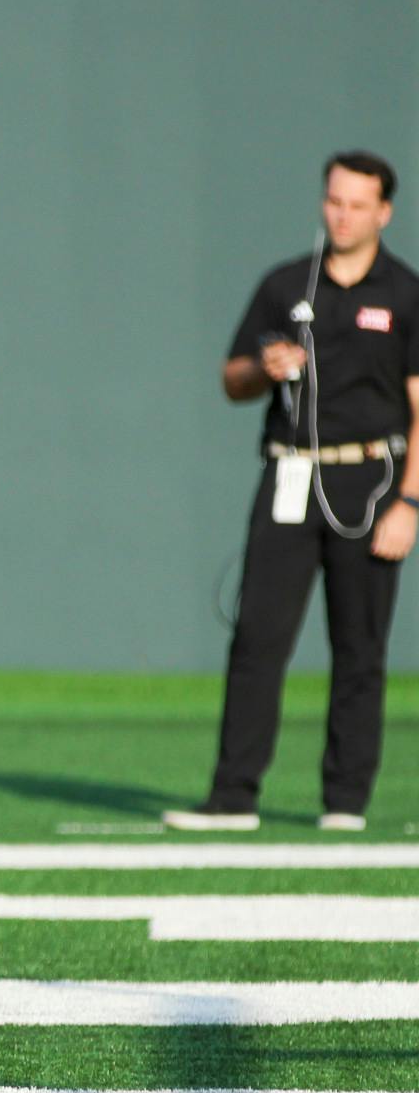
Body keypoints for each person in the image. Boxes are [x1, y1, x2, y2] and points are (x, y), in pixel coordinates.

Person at [168, 151, 419, 834]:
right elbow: (233, 380)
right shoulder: (286, 284)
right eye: (334, 201)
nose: (342, 215)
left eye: (357, 205)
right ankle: (232, 795)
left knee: (359, 644)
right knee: (258, 635)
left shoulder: (404, 293)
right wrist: (264, 365)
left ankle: (344, 800)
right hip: (290, 472)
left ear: (383, 212)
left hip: (369, 480)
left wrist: (410, 503)